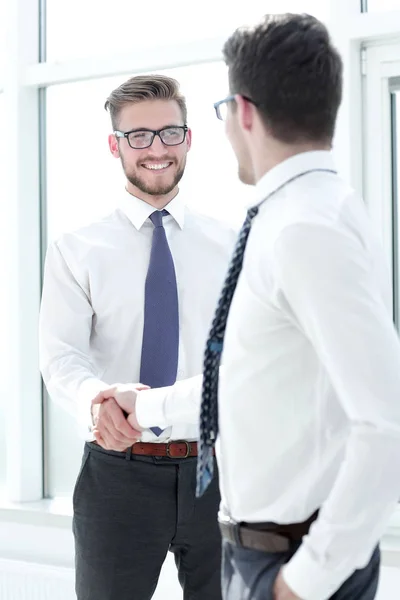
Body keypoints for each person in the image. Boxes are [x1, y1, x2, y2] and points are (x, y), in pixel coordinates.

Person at [194, 13, 400, 600]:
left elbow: (387, 424)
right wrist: (149, 407)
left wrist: (301, 584)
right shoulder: (298, 214)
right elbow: (258, 379)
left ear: (246, 111)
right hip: (261, 555)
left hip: (290, 567)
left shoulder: (305, 228)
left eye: (224, 111)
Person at [39, 74, 236, 600]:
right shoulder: (77, 249)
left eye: (170, 133)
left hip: (219, 475)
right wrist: (96, 403)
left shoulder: (232, 244)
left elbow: (249, 359)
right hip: (117, 474)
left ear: (189, 139)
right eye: (139, 136)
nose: (157, 149)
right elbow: (61, 358)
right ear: (116, 145)